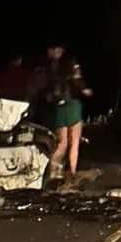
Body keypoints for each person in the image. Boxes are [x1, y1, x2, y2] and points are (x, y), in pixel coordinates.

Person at [45, 43, 92, 179]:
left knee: (62, 143)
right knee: (74, 142)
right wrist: (84, 90)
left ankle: (53, 171)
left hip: (59, 106)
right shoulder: (71, 63)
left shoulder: (51, 68)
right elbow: (77, 80)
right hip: (73, 103)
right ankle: (72, 171)